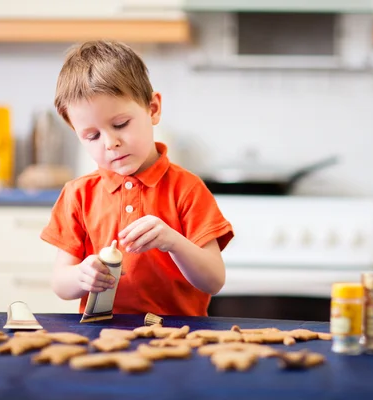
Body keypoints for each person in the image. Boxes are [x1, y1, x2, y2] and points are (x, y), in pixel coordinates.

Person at [40, 40, 233, 316]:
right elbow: (60, 283)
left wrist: (173, 242)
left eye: (120, 124)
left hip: (180, 336)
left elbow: (213, 280)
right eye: (92, 136)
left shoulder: (187, 189)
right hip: (101, 336)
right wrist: (81, 276)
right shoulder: (78, 195)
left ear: (152, 109)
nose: (110, 143)